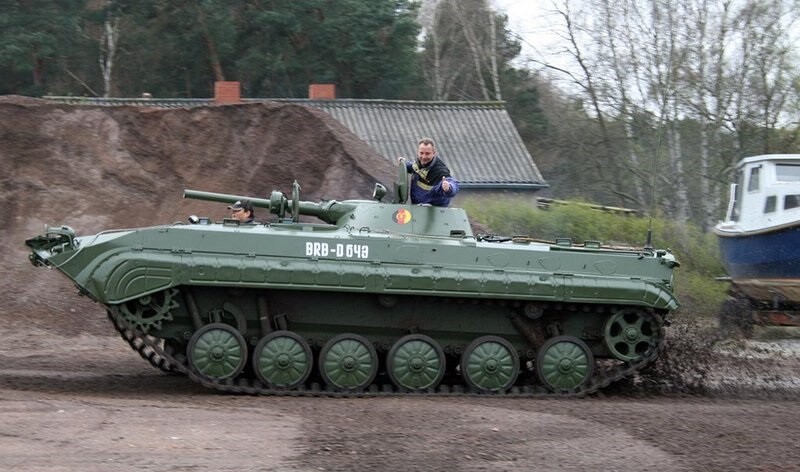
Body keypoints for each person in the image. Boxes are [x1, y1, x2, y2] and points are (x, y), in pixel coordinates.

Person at [398, 137, 459, 206]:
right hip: (416, 208)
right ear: (417, 152)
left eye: (427, 154)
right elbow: (412, 167)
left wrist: (448, 188)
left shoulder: (440, 171)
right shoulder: (418, 165)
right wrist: (403, 163)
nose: (424, 157)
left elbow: (453, 184)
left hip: (435, 212)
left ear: (434, 153)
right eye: (421, 153)